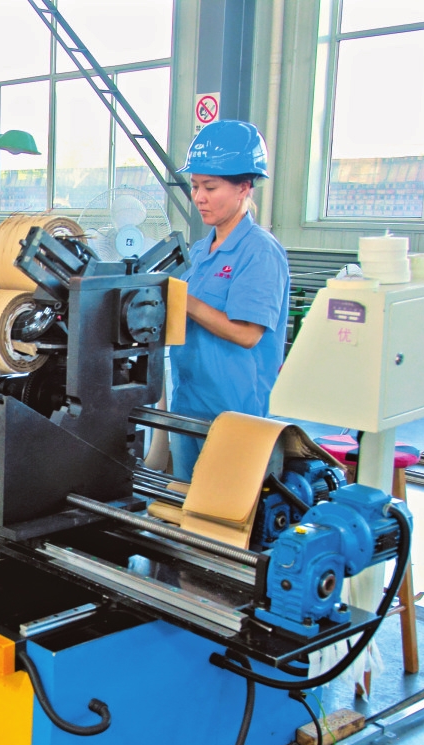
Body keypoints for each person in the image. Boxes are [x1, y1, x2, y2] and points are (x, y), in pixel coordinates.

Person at [169, 120, 290, 481]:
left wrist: (183, 299)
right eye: (195, 186)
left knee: (222, 506)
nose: (199, 197)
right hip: (188, 402)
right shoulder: (201, 250)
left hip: (234, 410)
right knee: (187, 501)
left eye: (210, 187)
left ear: (243, 187)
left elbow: (247, 334)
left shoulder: (259, 252)